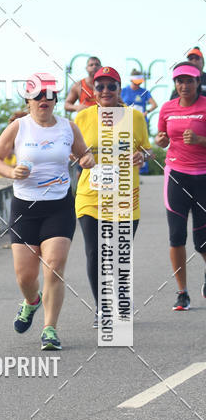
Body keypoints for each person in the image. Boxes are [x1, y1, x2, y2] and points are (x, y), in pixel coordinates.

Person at [0, 74, 94, 351]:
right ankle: (32, 301)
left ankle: (50, 329)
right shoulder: (18, 127)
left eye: (49, 95)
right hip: (25, 207)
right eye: (38, 95)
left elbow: (84, 155)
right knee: (25, 276)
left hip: (58, 206)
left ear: (56, 99)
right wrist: (12, 172)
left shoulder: (68, 128)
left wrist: (87, 159)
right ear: (28, 100)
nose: (44, 100)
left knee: (54, 267)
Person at [74, 66, 150, 326]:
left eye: (111, 86)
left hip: (126, 197)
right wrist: (81, 158)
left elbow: (147, 149)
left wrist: (143, 156)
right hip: (90, 195)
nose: (105, 91)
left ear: (120, 90)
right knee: (95, 252)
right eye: (100, 87)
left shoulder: (135, 117)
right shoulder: (82, 118)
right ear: (93, 91)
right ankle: (102, 308)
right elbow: (72, 152)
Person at [155, 61, 206, 309]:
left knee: (202, 241)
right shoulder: (167, 108)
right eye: (179, 80)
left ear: (198, 82)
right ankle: (182, 292)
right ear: (174, 84)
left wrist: (200, 139)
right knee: (176, 237)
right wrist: (161, 140)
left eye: (189, 80)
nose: (184, 85)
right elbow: (162, 140)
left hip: (203, 177)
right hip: (176, 175)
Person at [121, 69, 157, 175]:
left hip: (141, 123)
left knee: (142, 146)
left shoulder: (144, 91)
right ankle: (126, 169)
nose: (138, 84)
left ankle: (142, 170)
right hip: (126, 122)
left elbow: (154, 104)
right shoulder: (124, 91)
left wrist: (146, 112)